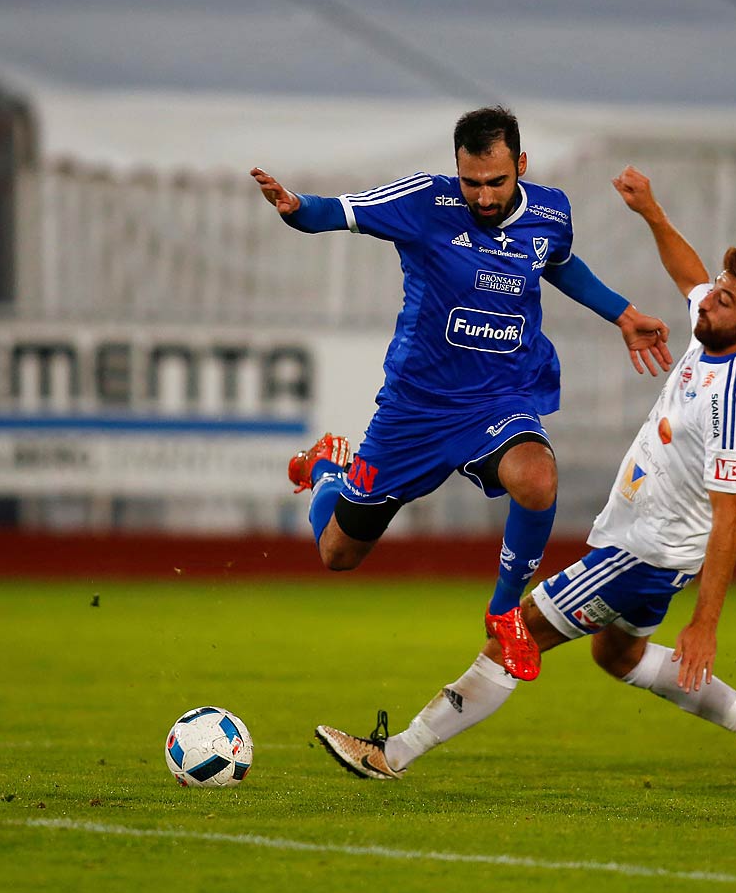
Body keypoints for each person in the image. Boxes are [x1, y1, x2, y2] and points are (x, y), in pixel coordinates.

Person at [314, 165, 736, 784]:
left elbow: (731, 517)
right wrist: (651, 212)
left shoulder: (732, 399)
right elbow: (688, 274)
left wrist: (704, 625)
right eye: (716, 290)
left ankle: (392, 756)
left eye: (725, 298)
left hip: (643, 552)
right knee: (618, 655)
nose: (706, 298)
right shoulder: (715, 333)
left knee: (514, 634)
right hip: (646, 540)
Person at [252, 107, 672, 683]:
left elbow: (562, 267)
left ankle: (504, 611)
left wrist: (622, 313)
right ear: (457, 170)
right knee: (337, 556)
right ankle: (329, 468)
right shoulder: (428, 201)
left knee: (537, 477)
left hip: (500, 397)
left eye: (497, 182)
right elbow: (343, 211)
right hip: (416, 407)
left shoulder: (551, 213)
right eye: (471, 182)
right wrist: (297, 209)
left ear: (520, 166)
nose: (484, 195)